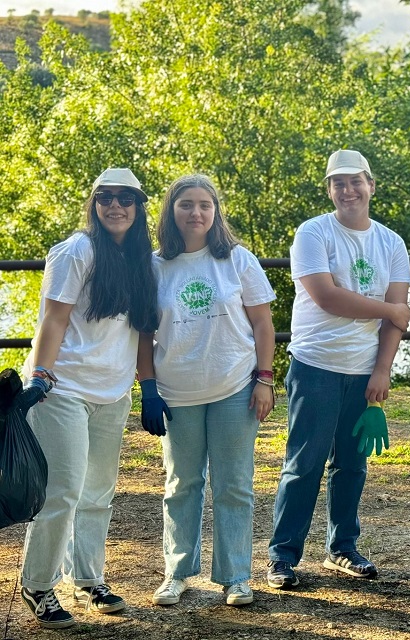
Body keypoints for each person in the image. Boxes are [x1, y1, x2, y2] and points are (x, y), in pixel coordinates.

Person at [18, 168, 160, 629]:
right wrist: (40, 374)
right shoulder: (77, 251)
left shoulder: (143, 260)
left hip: (112, 392)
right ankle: (37, 584)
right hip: (63, 389)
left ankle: (88, 579)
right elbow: (54, 320)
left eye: (125, 198)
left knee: (98, 493)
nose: (115, 206)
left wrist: (147, 385)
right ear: (94, 204)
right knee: (63, 490)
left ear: (139, 207)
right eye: (105, 198)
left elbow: (142, 329)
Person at [266, 149, 410, 588]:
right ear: (329, 190)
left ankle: (342, 548)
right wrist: (389, 307)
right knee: (304, 463)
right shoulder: (312, 233)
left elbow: (397, 320)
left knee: (352, 464)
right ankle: (282, 556)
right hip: (316, 367)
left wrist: (383, 369)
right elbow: (328, 297)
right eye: (338, 183)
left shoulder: (392, 242)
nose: (348, 190)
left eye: (355, 181)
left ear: (370, 184)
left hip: (363, 370)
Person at [136, 175, 276, 607]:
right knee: (182, 483)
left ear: (215, 212)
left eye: (204, 205)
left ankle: (235, 576)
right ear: (170, 211)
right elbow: (143, 334)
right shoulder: (154, 266)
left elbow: (263, 324)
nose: (196, 213)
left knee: (234, 484)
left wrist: (265, 379)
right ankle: (177, 572)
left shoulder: (237, 260)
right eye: (186, 205)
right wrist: (148, 388)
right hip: (177, 393)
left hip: (235, 386)